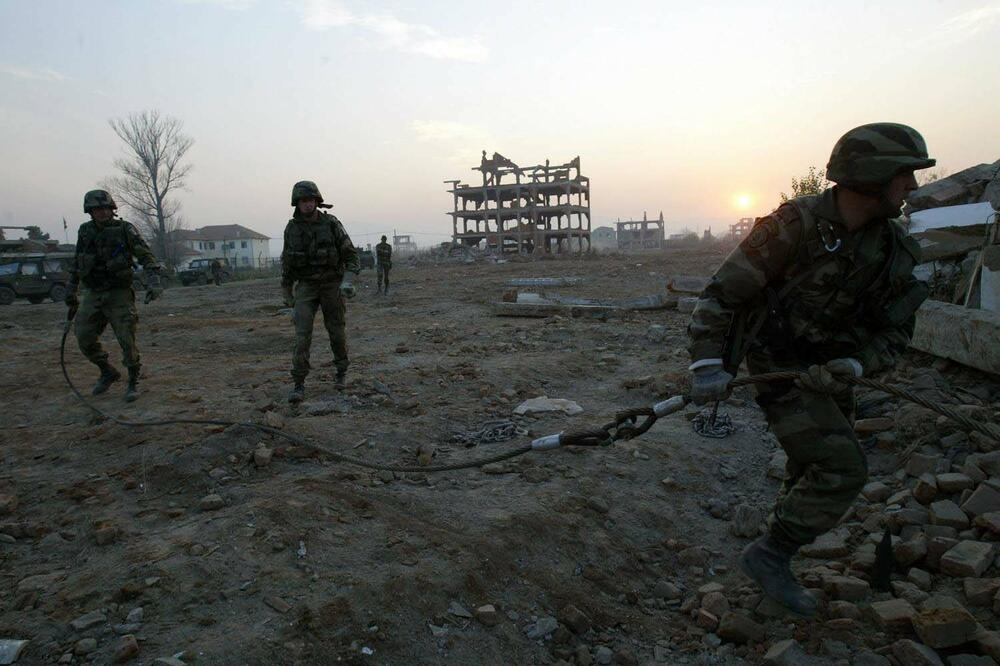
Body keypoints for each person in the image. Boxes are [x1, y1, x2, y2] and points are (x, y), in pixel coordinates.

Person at [687, 123, 935, 615]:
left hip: (831, 372)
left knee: (809, 464)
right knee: (842, 467)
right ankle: (770, 554)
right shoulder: (792, 227)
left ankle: (775, 563)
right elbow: (722, 295)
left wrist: (855, 365)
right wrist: (707, 365)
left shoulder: (895, 253)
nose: (912, 187)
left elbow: (896, 334)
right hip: (776, 365)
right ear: (872, 175)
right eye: (906, 174)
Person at [66, 189, 163, 402]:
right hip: (93, 293)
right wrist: (70, 290)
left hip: (118, 293)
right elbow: (77, 261)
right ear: (89, 211)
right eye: (96, 209)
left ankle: (132, 379)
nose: (101, 212)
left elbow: (145, 255)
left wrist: (153, 281)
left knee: (126, 339)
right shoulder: (85, 231)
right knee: (83, 336)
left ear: (112, 209)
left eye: (104, 208)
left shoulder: (125, 229)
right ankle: (107, 371)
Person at [281, 181, 360, 403]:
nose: (308, 205)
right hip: (306, 286)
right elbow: (287, 262)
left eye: (311, 200)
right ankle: (298, 383)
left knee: (336, 331)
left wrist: (348, 281)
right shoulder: (292, 229)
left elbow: (351, 256)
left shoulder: (331, 223)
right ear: (297, 203)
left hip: (331, 284)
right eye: (304, 201)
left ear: (318, 201)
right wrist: (286, 290)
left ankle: (341, 372)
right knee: (302, 335)